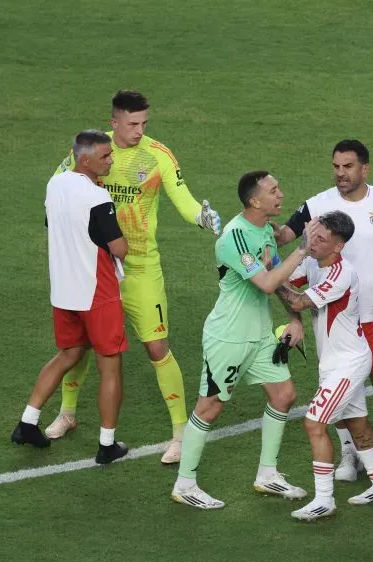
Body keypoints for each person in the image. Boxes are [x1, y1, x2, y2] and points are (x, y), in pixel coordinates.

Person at [47, 91, 222, 466]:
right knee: (80, 345)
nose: (139, 131)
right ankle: (67, 413)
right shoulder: (95, 151)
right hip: (97, 268)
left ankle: (180, 433)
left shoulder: (158, 155)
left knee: (157, 347)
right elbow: (60, 185)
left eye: (144, 123)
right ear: (114, 122)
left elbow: (183, 198)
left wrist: (201, 217)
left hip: (141, 268)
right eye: (132, 124)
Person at [169, 171, 307, 510]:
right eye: (274, 191)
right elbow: (266, 282)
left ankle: (267, 475)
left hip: (259, 334)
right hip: (229, 337)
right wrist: (303, 250)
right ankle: (184, 484)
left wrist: (294, 318)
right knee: (210, 406)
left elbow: (279, 280)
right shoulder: (234, 238)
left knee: (284, 395)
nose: (281, 195)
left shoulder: (265, 233)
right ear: (254, 200)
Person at [277, 140, 373, 481]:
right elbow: (285, 236)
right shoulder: (317, 205)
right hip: (333, 318)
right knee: (338, 385)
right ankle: (349, 452)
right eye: (336, 166)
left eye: (348, 166)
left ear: (364, 169)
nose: (340, 173)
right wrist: (259, 222)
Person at [12, 130, 130, 465]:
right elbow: (120, 248)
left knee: (69, 353)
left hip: (63, 291)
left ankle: (28, 422)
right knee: (111, 367)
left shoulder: (55, 184)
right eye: (105, 156)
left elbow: (54, 225)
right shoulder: (97, 198)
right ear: (85, 159)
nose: (111, 160)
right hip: (97, 292)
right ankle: (107, 445)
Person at [278, 211, 373, 521]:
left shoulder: (341, 274)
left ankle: (324, 499)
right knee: (356, 421)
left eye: (320, 239)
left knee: (314, 423)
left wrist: (264, 270)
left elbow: (296, 300)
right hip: (335, 362)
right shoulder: (314, 263)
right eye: (312, 235)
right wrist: (274, 271)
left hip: (348, 363)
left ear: (338, 246)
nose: (312, 243)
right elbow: (286, 283)